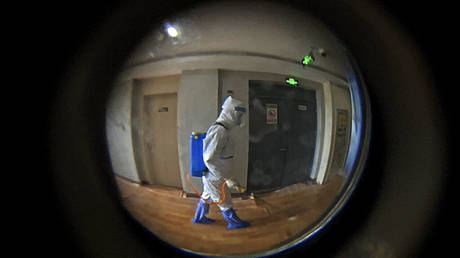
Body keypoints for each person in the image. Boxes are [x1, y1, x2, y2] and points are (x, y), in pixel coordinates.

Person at [192, 96, 250, 229]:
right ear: (231, 113)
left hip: (214, 176)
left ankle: (198, 217)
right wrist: (226, 177)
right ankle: (234, 223)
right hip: (215, 177)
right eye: (238, 115)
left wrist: (228, 176)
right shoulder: (219, 131)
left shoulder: (223, 130)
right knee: (224, 201)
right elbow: (209, 158)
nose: (239, 118)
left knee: (207, 196)